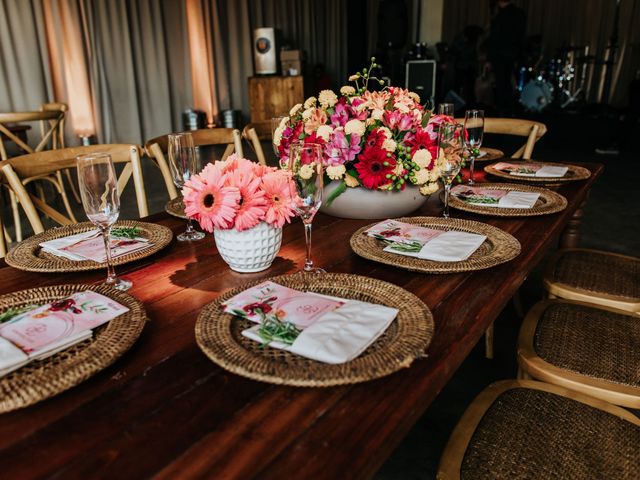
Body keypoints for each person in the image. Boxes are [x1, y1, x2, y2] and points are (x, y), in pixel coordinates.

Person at [487, 0, 526, 114]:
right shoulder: (519, 13)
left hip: (501, 54)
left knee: (502, 83)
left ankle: (503, 109)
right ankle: (509, 108)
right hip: (513, 54)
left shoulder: (500, 15)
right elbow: (521, 36)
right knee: (509, 83)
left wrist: (490, 58)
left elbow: (494, 38)